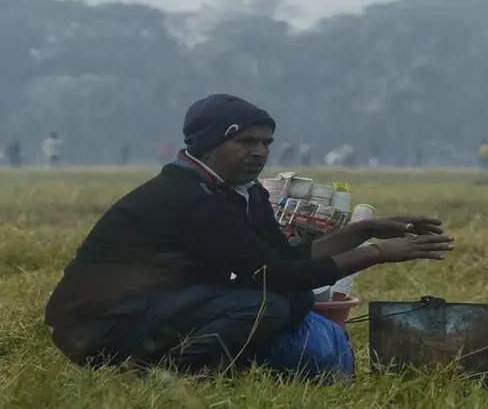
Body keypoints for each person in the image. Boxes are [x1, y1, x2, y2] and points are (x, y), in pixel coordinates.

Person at [44, 93, 454, 374]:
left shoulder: (243, 192)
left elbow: (286, 258)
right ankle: (165, 373)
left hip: (161, 307)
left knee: (290, 301)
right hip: (102, 329)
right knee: (266, 306)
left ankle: (212, 363)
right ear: (209, 144)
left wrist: (363, 230)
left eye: (265, 143)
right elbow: (273, 276)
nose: (259, 152)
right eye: (245, 142)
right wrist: (378, 253)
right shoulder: (189, 197)